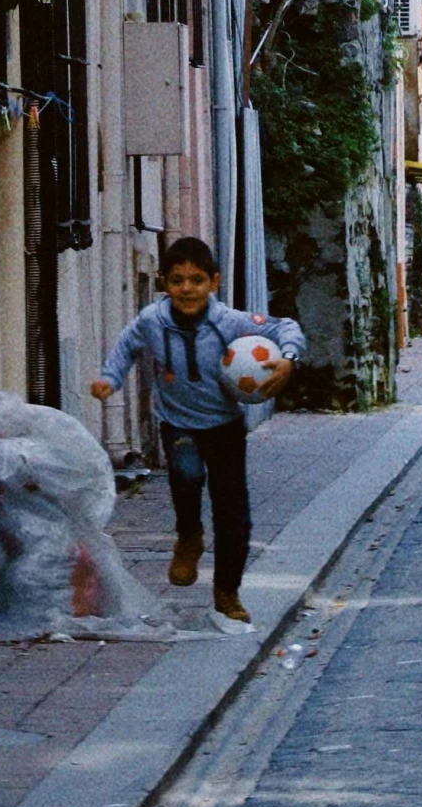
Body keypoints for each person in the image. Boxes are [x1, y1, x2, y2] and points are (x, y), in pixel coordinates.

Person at [90, 237, 304, 629]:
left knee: (233, 513)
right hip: (178, 423)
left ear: (214, 282)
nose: (187, 289)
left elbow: (284, 327)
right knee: (186, 474)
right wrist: (109, 378)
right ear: (163, 283)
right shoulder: (152, 321)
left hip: (224, 427)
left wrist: (288, 359)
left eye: (196, 280)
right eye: (177, 280)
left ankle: (227, 593)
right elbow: (126, 346)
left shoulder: (229, 322)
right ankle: (188, 534)